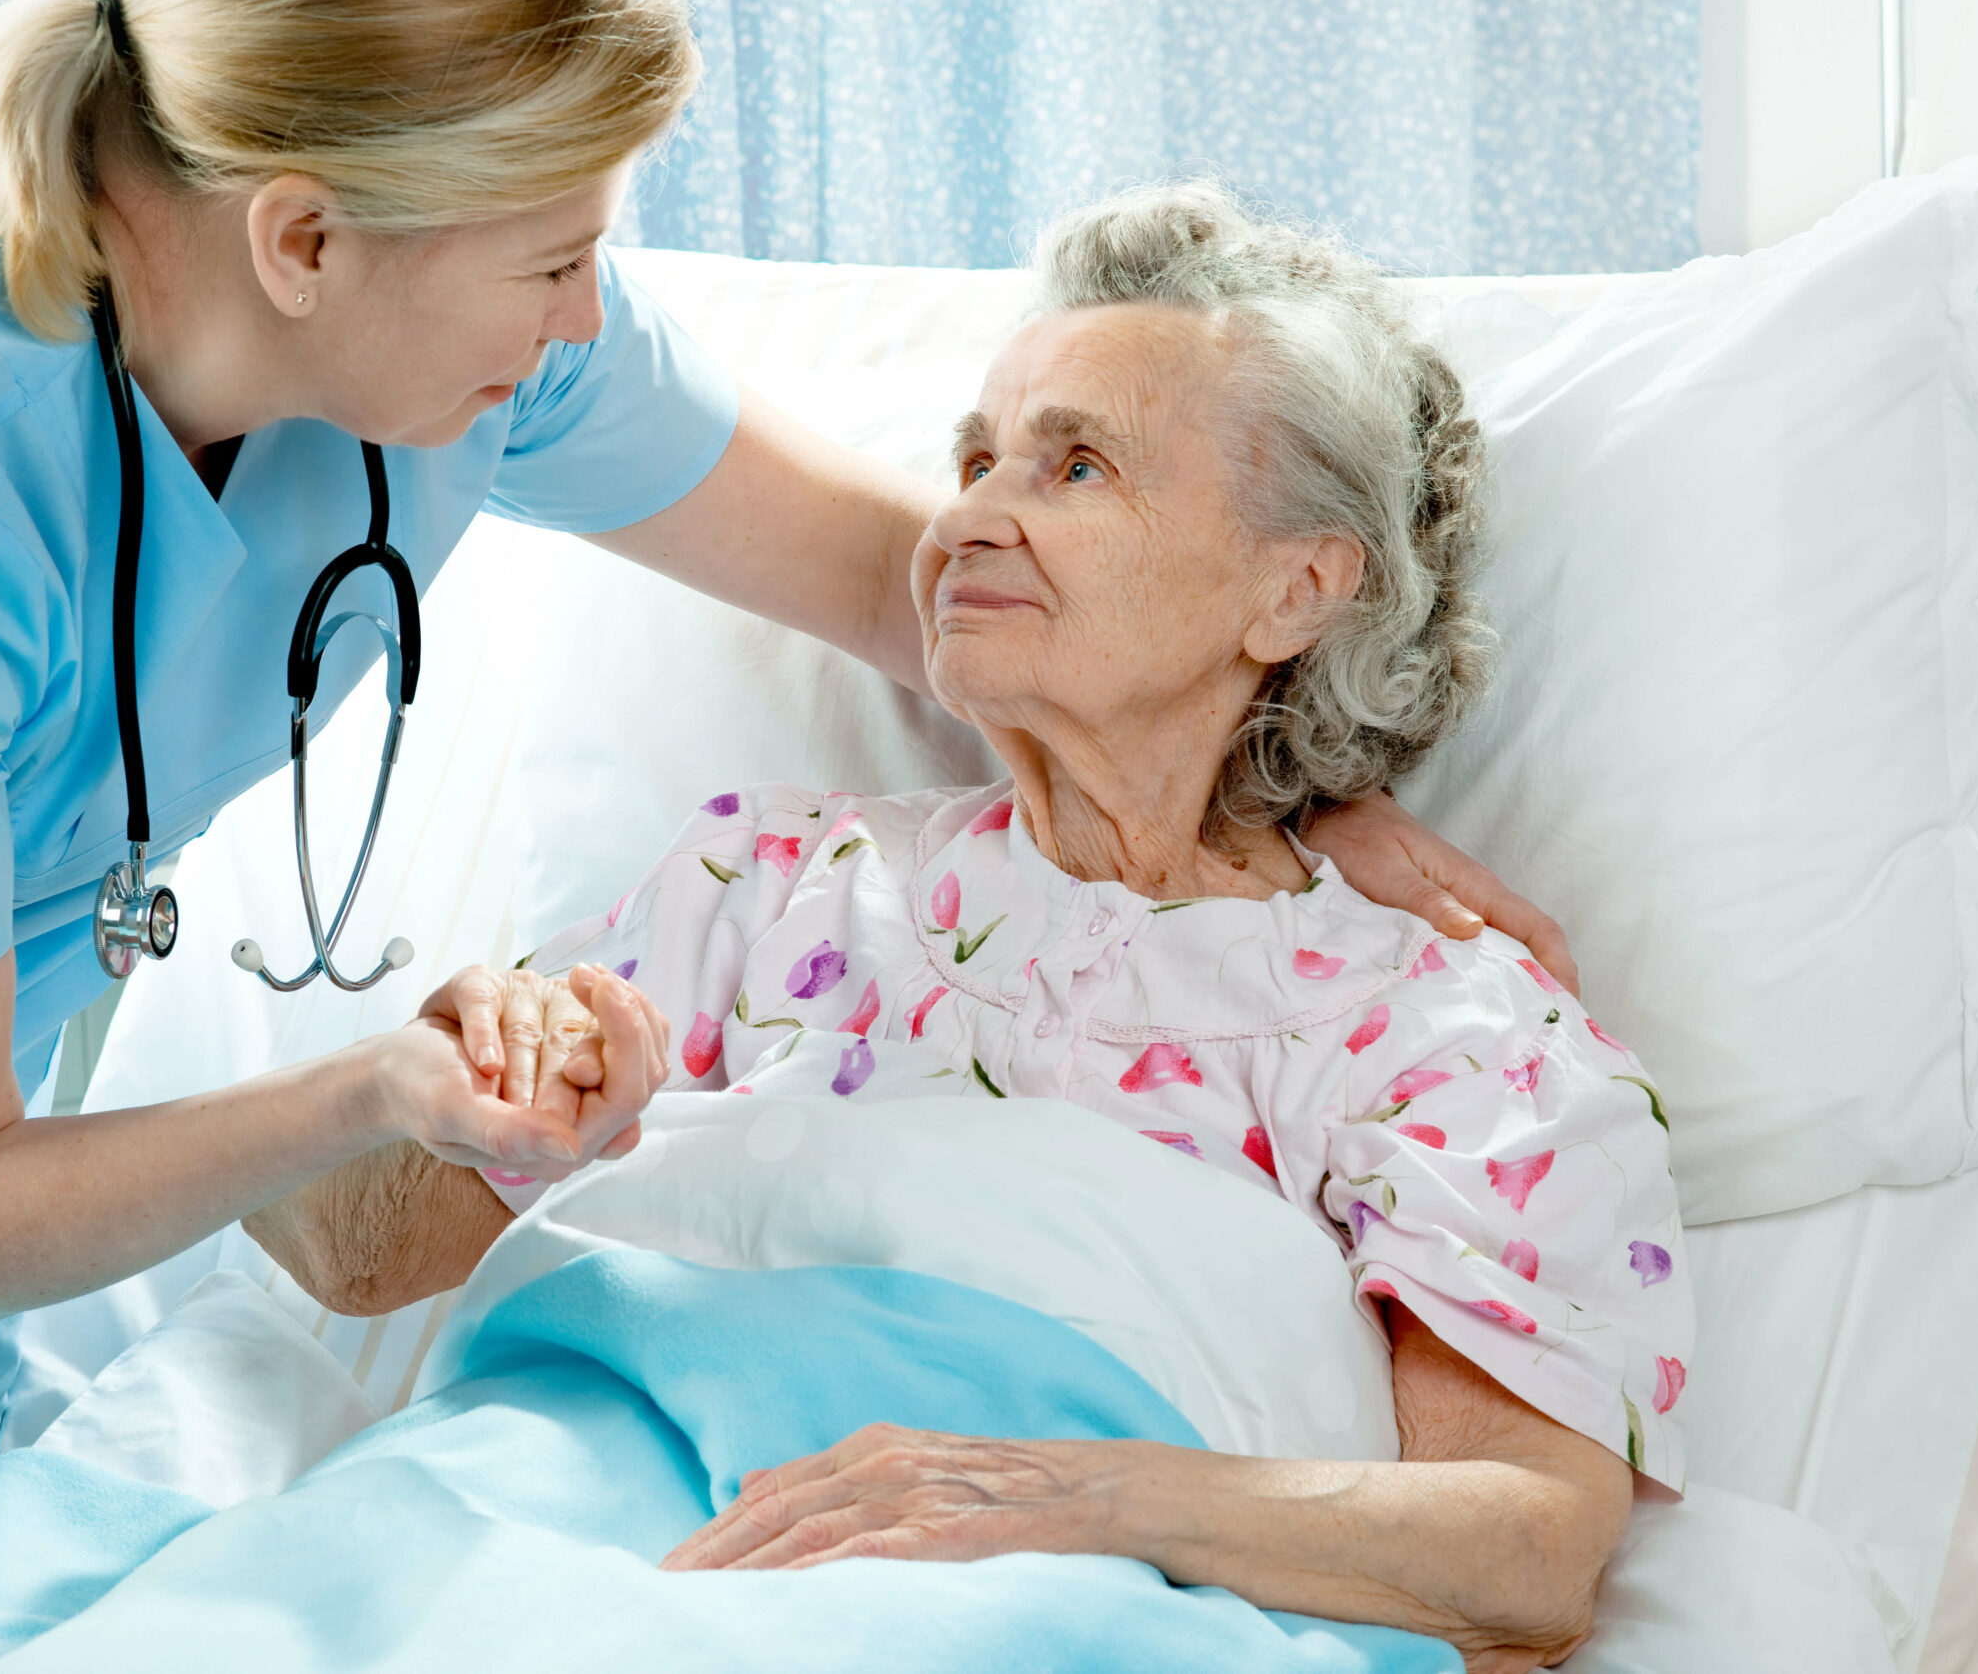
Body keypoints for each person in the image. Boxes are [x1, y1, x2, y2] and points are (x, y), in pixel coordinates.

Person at [0, 0, 1569, 1667]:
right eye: (555, 263)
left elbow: (884, 572)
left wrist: (1309, 781)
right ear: (302, 241)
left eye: (1076, 466)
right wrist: (403, 1090)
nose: (586, 320)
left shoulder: (1445, 1030)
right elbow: (97, 1227)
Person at [266, 182, 1687, 1672]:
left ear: (1300, 588)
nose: (965, 519)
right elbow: (345, 1259)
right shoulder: (764, 884)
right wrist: (436, 1090)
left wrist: (1062, 1497)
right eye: (973, 460)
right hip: (553, 1537)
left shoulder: (1456, 1038)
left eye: (1076, 466)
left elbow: (1525, 1551)